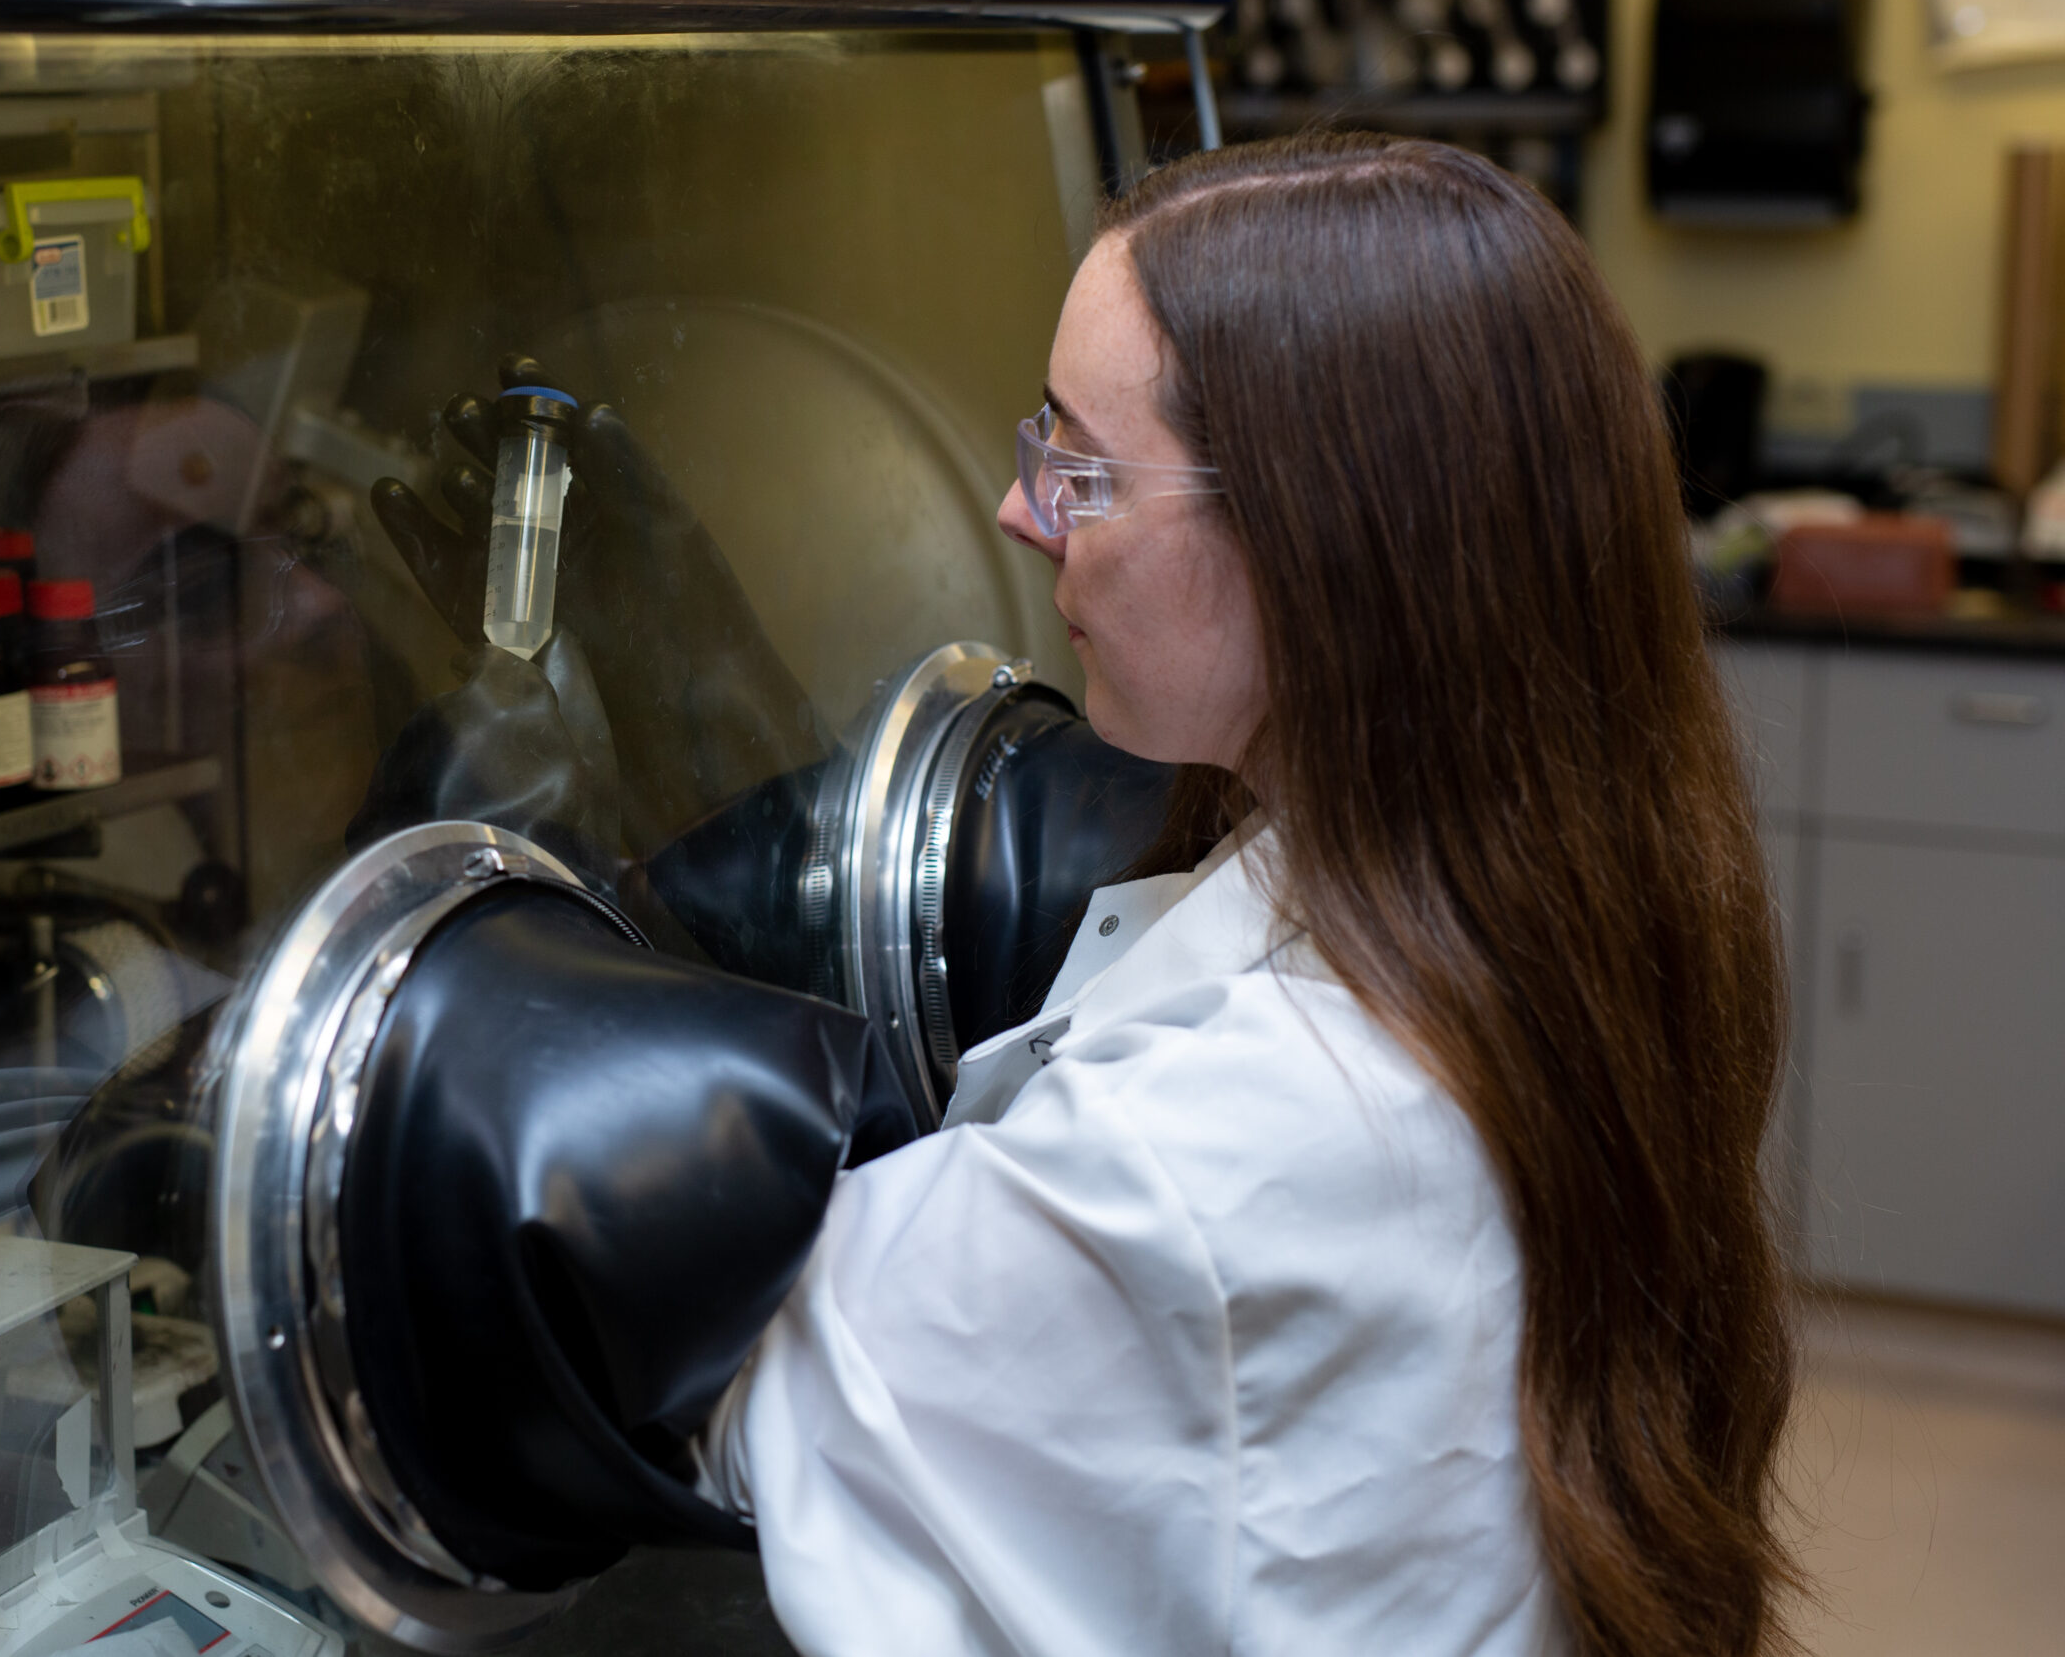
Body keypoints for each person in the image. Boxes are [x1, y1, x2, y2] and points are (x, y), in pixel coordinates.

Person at [678, 134, 1800, 1656]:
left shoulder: (1223, 1149)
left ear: (1321, 539)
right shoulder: (1580, 909)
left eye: (1080, 467)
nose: (1024, 514)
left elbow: (765, 1390)